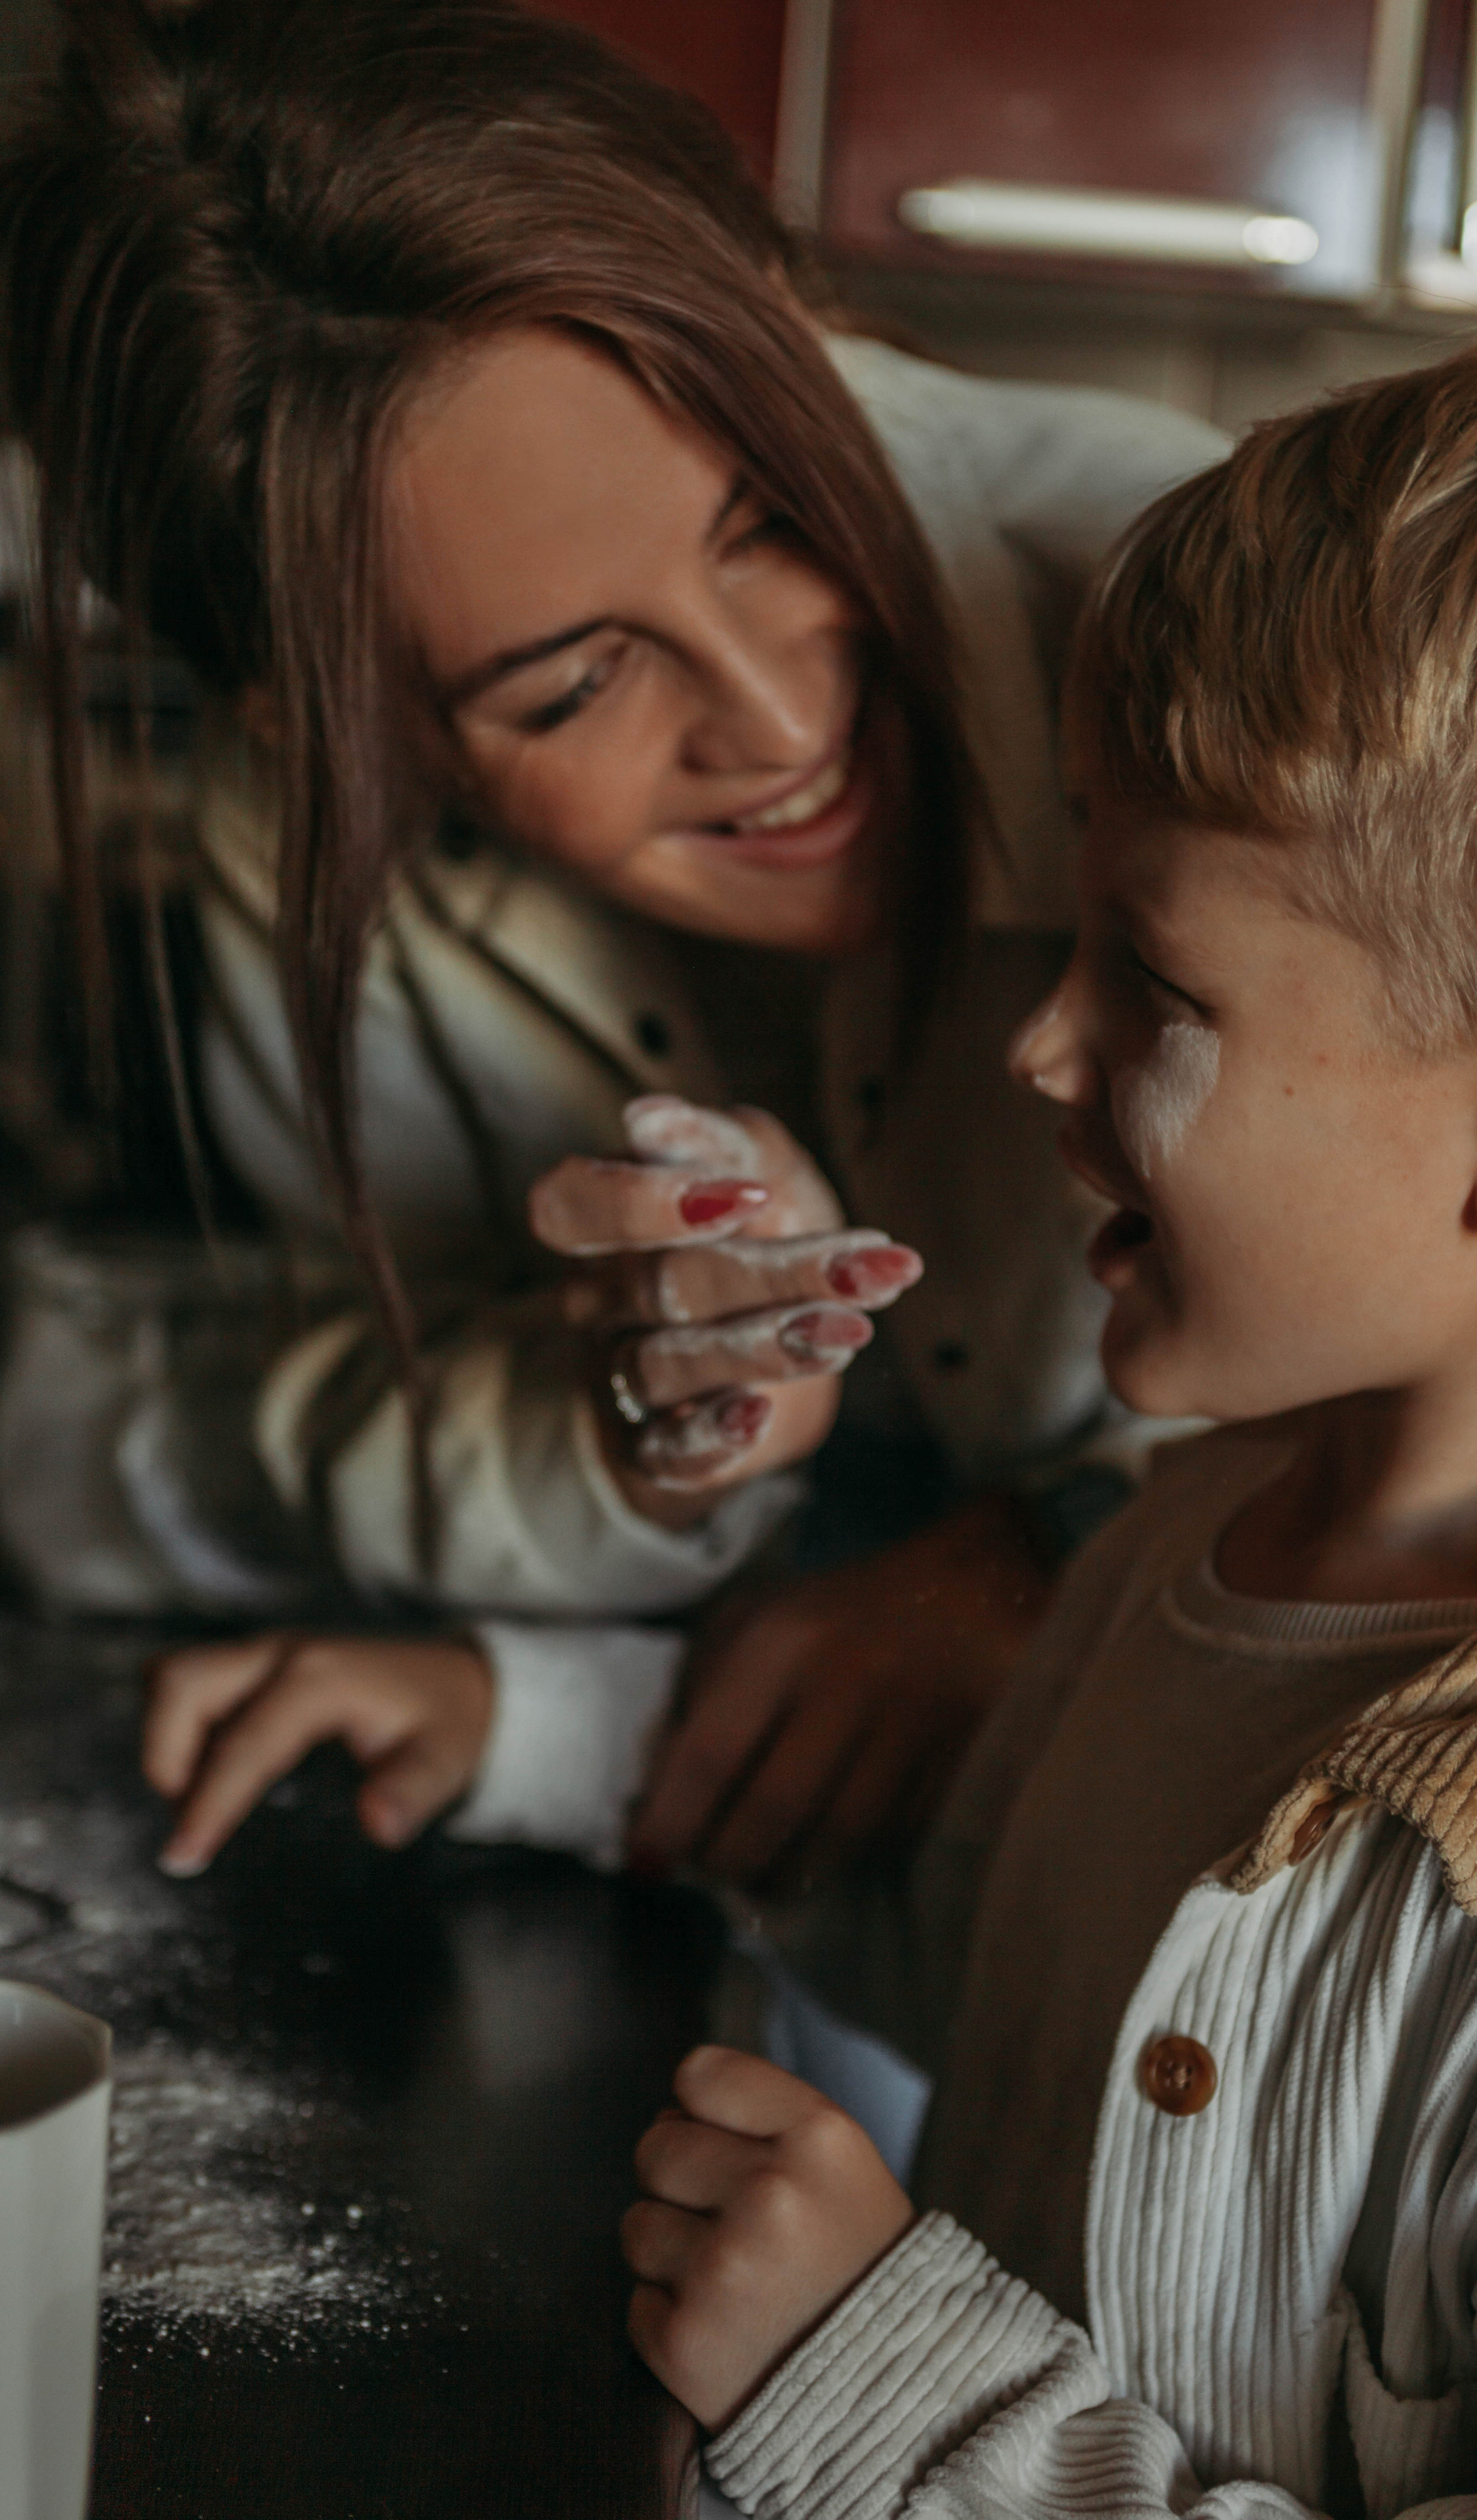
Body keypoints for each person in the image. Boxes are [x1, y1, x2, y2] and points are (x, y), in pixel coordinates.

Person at [622, 307, 1477, 2516]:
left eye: (1157, 981)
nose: (1038, 1047)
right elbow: (999, 1941)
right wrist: (523, 1729)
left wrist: (886, 2390)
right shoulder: (1184, 1546)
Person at [0, 0, 1224, 1888]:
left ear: (779, 307)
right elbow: (375, 1398)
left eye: (776, 511)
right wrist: (633, 1434)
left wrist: (1049, 1562)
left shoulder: (1228, 623)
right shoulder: (311, 857)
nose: (775, 714)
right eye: (572, 688)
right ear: (330, 740)